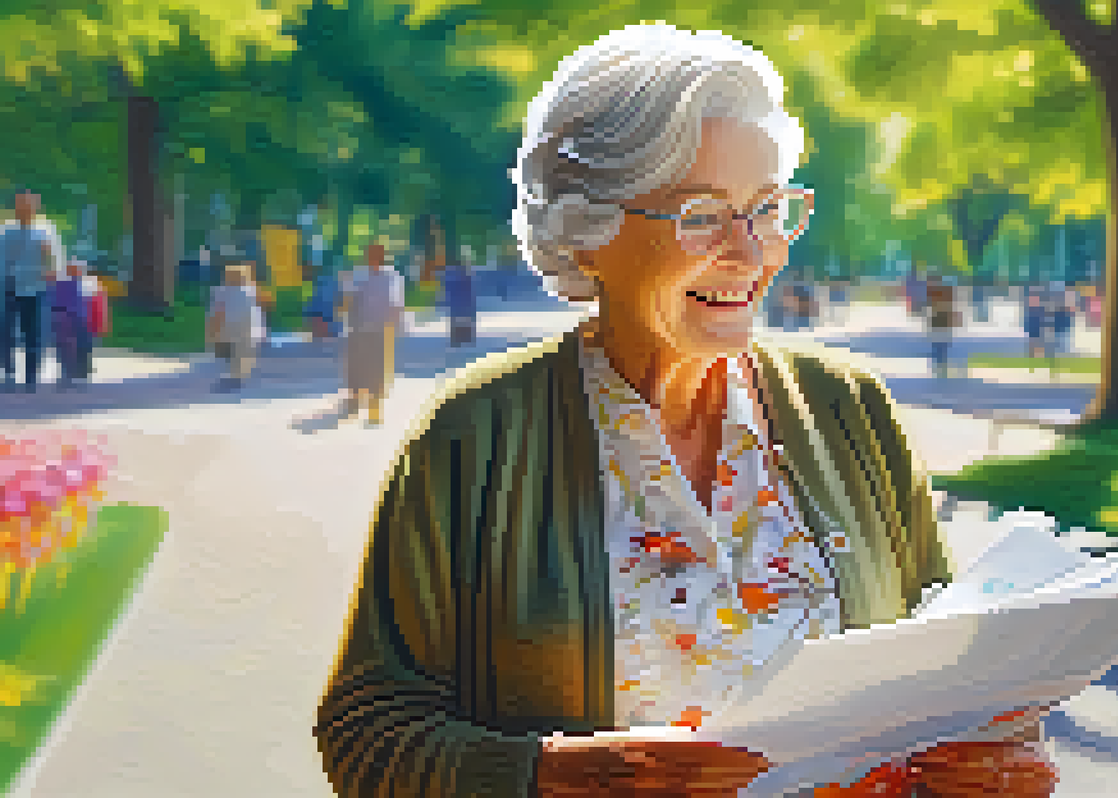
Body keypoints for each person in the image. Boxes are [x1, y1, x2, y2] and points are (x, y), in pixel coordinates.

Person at [314, 23, 1054, 798]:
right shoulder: (478, 434)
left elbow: (950, 684)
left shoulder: (851, 411)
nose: (751, 249)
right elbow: (368, 732)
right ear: (586, 230)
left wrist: (993, 764)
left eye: (767, 208)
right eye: (701, 214)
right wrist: (560, 777)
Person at [2, 190, 65, 393]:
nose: (24, 207)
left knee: (34, 332)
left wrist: (53, 270)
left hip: (36, 286)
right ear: (15, 206)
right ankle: (9, 371)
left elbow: (56, 259)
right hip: (9, 285)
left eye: (28, 203)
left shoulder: (46, 230)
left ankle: (31, 376)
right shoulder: (6, 230)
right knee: (6, 331)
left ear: (36, 205)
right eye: (20, 203)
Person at [339, 241, 405, 426]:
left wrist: (396, 325)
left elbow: (396, 303)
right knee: (356, 366)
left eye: (377, 255)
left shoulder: (392, 276)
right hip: (359, 328)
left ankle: (374, 406)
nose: (374, 259)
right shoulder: (359, 274)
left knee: (377, 368)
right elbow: (347, 301)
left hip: (379, 329)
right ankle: (355, 398)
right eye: (372, 255)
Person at [207, 262, 264, 391]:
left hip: (230, 328)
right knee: (243, 353)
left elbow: (218, 312)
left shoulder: (221, 291)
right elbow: (257, 311)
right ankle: (238, 377)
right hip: (249, 328)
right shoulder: (251, 290)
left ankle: (233, 378)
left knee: (232, 353)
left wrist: (214, 329)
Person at [48, 259, 91, 391]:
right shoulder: (76, 284)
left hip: (71, 318)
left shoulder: (64, 284)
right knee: (68, 346)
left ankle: (71, 373)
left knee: (69, 346)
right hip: (69, 318)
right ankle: (69, 373)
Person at [438, 260, 476, 347]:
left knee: (457, 319)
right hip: (464, 302)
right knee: (464, 319)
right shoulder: (466, 276)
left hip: (456, 302)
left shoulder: (451, 276)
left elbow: (448, 290)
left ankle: (458, 338)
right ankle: (465, 337)